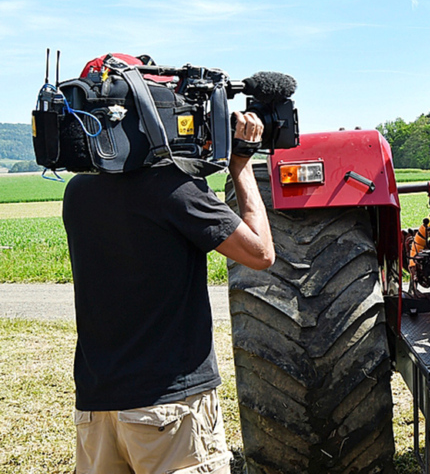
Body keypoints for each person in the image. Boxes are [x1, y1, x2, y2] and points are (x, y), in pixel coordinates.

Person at [64, 111, 275, 474]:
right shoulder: (175, 189)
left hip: (97, 409)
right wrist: (240, 164)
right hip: (170, 406)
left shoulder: (77, 191)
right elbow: (260, 253)